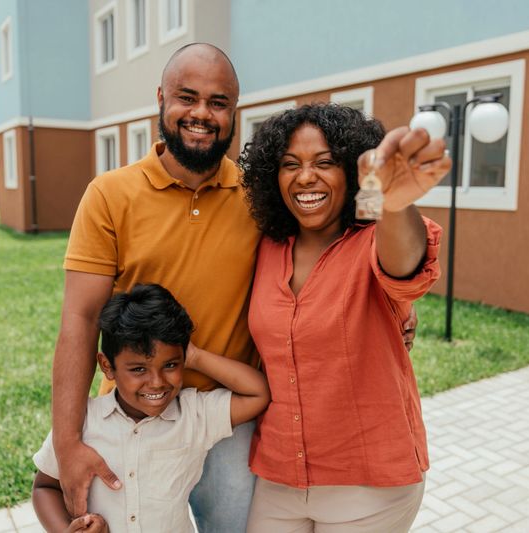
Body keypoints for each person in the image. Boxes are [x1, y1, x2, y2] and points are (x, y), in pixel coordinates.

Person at [51, 43, 261, 532]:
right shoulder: (109, 194)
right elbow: (79, 319)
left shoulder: (258, 196)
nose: (202, 114)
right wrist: (67, 443)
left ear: (234, 111)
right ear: (161, 99)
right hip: (134, 416)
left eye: (218, 102)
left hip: (224, 416)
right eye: (188, 97)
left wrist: (393, 303)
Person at [239, 103, 450, 532]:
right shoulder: (266, 248)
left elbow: (404, 264)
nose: (305, 177)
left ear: (350, 173)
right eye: (289, 165)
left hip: (368, 484)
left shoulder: (375, 239)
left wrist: (392, 203)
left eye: (325, 163)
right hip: (280, 475)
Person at [33, 284, 270, 533]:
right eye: (138, 369)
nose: (157, 382)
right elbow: (44, 488)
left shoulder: (195, 416)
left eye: (170, 365)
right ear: (107, 366)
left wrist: (195, 356)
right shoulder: (83, 422)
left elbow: (257, 393)